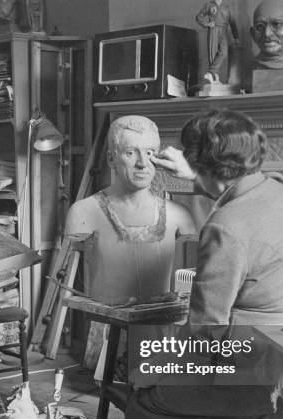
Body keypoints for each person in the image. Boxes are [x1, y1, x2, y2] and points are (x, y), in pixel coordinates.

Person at [76, 109, 283, 419]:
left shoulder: (224, 228)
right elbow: (235, 199)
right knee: (164, 378)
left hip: (265, 360)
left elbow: (207, 331)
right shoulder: (279, 188)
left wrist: (159, 369)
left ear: (208, 165)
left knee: (152, 396)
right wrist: (194, 173)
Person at [64, 115, 196, 306]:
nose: (143, 163)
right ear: (111, 158)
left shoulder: (179, 215)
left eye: (150, 153)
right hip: (107, 316)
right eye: (131, 153)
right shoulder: (83, 212)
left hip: (157, 320)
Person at [195, 0, 240, 83]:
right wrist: (207, 24)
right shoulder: (209, 5)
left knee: (224, 52)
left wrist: (236, 37)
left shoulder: (227, 7)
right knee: (213, 53)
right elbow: (198, 17)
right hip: (213, 29)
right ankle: (214, 77)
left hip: (223, 30)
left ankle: (210, 72)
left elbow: (233, 23)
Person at [250, 0, 283, 70]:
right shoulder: (252, 64)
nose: (267, 34)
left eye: (276, 24)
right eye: (260, 26)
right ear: (253, 34)